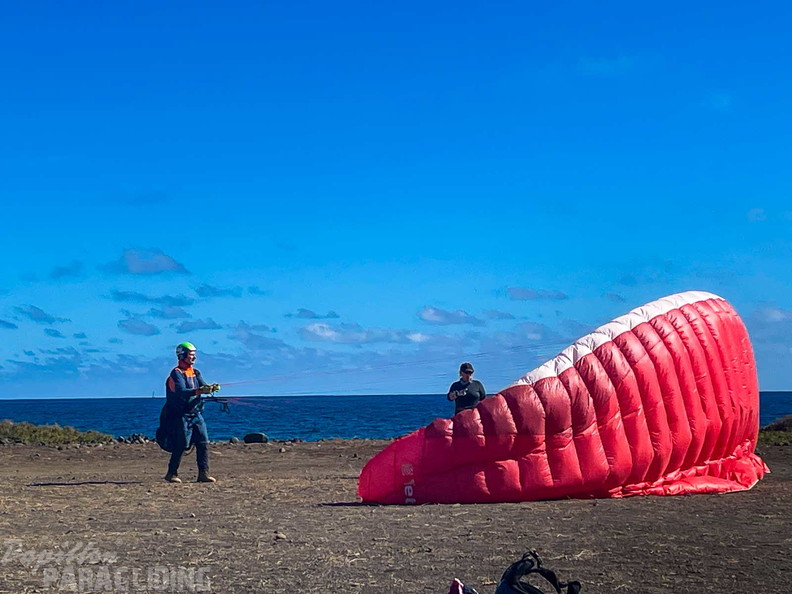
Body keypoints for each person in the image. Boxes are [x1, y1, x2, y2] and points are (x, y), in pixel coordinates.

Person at [163, 341, 220, 483]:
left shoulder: (195, 372)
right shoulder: (176, 374)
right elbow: (181, 391)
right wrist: (201, 391)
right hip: (182, 415)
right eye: (191, 355)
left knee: (203, 442)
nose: (194, 358)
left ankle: (203, 473)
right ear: (182, 355)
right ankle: (172, 473)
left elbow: (202, 385)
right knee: (182, 444)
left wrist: (211, 388)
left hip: (196, 413)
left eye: (194, 355)